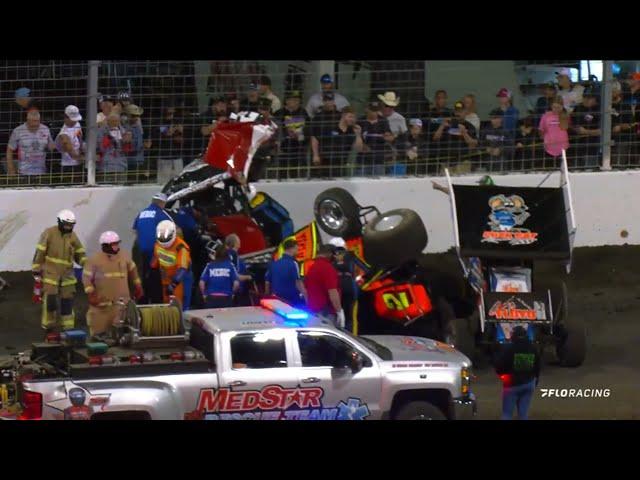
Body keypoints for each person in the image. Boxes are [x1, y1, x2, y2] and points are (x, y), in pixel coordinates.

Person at [32, 210, 87, 332]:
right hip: (51, 273)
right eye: (67, 224)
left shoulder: (73, 236)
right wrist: (36, 269)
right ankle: (48, 326)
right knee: (50, 301)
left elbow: (80, 252)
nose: (69, 227)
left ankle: (67, 327)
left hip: (67, 275)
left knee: (67, 301)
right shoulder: (49, 233)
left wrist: (85, 263)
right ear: (60, 222)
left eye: (71, 225)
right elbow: (40, 251)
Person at [82, 231, 143, 338]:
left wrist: (138, 285)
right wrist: (90, 293)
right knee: (99, 335)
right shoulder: (94, 261)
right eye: (113, 244)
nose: (116, 246)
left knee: (123, 335)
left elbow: (133, 270)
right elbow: (86, 278)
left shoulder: (124, 256)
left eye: (117, 243)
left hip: (122, 307)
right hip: (102, 308)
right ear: (105, 246)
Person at [132, 193, 174, 303]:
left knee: (142, 277)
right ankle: (157, 303)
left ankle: (142, 302)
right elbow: (171, 231)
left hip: (140, 251)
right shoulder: (161, 214)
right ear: (162, 203)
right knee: (155, 279)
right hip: (154, 252)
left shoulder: (141, 213)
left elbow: (135, 231)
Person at [493, 326, 541, 420]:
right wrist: (535, 380)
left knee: (507, 414)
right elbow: (537, 366)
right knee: (523, 415)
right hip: (529, 384)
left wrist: (502, 375)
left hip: (512, 385)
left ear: (513, 336)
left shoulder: (510, 349)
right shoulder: (533, 348)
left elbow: (500, 365)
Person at [310, 104, 363, 178]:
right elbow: (315, 138)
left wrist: (358, 135)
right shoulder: (330, 126)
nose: (352, 119)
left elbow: (359, 149)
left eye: (354, 117)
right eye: (350, 116)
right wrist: (315, 155)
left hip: (341, 165)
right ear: (343, 116)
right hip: (325, 163)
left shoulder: (352, 131)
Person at [150, 220, 193, 310]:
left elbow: (182, 268)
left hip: (180, 280)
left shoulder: (181, 247)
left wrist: (173, 284)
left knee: (179, 306)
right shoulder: (157, 244)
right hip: (165, 279)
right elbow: (155, 262)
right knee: (167, 306)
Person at [328, 237, 368, 332]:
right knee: (351, 316)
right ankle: (353, 339)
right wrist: (362, 279)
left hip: (336, 288)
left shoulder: (330, 257)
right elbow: (366, 268)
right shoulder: (350, 255)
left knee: (337, 314)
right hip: (350, 286)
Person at [303, 243, 345, 328]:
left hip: (313, 310)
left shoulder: (312, 267)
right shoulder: (328, 268)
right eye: (334, 254)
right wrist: (339, 311)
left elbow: (306, 289)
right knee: (331, 339)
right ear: (329, 254)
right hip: (326, 311)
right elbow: (333, 292)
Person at [431, 100, 478, 170]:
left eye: (461, 111)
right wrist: (442, 126)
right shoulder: (448, 123)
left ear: (465, 112)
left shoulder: (470, 126)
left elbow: (473, 145)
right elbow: (435, 139)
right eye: (457, 111)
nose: (458, 114)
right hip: (446, 163)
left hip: (462, 163)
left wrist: (464, 133)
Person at [7, 110, 56, 177]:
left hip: (41, 171)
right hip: (23, 172)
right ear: (28, 120)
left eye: (38, 121)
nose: (36, 124)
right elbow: (9, 150)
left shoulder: (45, 129)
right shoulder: (18, 131)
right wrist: (11, 168)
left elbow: (51, 145)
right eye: (34, 121)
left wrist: (51, 146)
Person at [274, 91, 310, 179]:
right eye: (293, 100)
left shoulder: (303, 112)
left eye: (297, 100)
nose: (296, 102)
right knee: (282, 172)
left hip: (299, 148)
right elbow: (275, 129)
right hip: (284, 148)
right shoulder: (279, 113)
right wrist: (286, 133)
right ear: (287, 101)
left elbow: (308, 128)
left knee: (298, 173)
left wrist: (299, 133)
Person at [264, 238, 307, 307]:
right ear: (291, 249)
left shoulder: (274, 264)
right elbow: (298, 283)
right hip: (291, 300)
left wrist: (267, 296)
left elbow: (267, 282)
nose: (297, 251)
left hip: (276, 300)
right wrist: (306, 296)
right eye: (296, 249)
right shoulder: (293, 263)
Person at [356, 101, 393, 176]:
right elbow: (355, 139)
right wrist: (362, 145)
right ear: (367, 109)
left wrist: (388, 137)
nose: (374, 113)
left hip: (378, 160)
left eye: (376, 110)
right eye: (372, 110)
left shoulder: (383, 121)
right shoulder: (360, 121)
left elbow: (390, 137)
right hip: (362, 159)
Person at [199, 241, 239, 308]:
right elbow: (236, 283)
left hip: (211, 298)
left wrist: (204, 294)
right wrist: (232, 293)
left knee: (211, 318)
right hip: (226, 298)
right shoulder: (230, 265)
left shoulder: (209, 265)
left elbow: (201, 282)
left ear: (216, 254)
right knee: (225, 318)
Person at [570, 89, 601, 169]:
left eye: (589, 98)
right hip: (577, 146)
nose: (586, 100)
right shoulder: (578, 108)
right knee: (575, 170)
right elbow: (571, 124)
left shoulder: (600, 110)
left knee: (590, 169)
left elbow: (604, 131)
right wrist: (576, 128)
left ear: (595, 99)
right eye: (585, 97)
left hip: (593, 146)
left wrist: (586, 131)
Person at [538, 96, 570, 169]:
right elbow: (541, 129)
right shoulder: (546, 116)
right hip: (549, 147)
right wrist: (544, 139)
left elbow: (565, 127)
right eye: (554, 107)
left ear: (562, 107)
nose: (556, 109)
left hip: (563, 147)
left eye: (558, 107)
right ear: (551, 106)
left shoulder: (565, 116)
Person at [56, 105, 84, 181]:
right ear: (66, 117)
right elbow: (72, 155)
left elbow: (80, 137)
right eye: (72, 119)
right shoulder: (64, 134)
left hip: (78, 164)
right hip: (67, 167)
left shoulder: (77, 124)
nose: (75, 121)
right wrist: (87, 158)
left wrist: (82, 150)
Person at [225, 234, 254, 306]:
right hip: (234, 293)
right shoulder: (234, 256)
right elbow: (235, 276)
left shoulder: (223, 255)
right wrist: (249, 277)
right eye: (239, 241)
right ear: (236, 244)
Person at [124, 104, 146, 171]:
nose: (136, 118)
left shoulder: (138, 128)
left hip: (139, 160)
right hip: (129, 161)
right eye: (133, 116)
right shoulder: (124, 128)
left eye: (138, 116)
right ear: (127, 116)